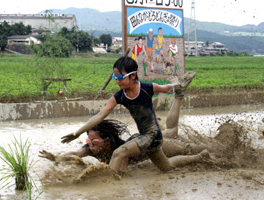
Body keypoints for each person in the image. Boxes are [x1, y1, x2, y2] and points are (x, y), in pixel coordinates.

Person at [60, 56, 206, 173]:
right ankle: (199, 157)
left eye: (121, 77)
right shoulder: (119, 96)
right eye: (115, 78)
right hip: (145, 137)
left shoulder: (147, 88)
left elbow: (165, 88)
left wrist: (176, 85)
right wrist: (77, 133)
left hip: (153, 135)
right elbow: (99, 116)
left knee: (119, 152)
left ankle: (109, 182)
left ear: (133, 75)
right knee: (166, 166)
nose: (118, 81)